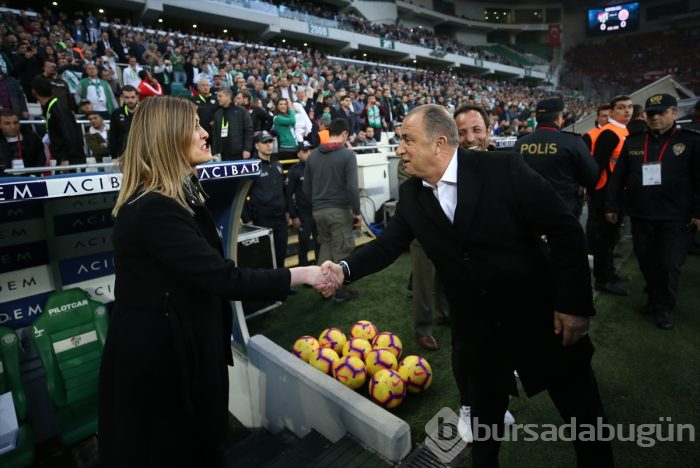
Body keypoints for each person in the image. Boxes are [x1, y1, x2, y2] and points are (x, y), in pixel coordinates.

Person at [323, 105, 613, 468]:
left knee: (586, 426)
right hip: (481, 338)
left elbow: (564, 228)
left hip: (544, 323)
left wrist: (572, 304)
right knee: (485, 439)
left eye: (407, 140)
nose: (399, 149)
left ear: (439, 143)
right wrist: (343, 269)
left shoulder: (503, 168)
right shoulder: (412, 195)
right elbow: (386, 247)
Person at [98, 96, 335, 466]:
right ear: (167, 137)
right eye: (194, 125)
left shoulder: (174, 197)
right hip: (165, 369)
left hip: (184, 359)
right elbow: (224, 278)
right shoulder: (153, 209)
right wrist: (304, 274)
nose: (206, 132)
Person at [605, 94, 700, 330]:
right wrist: (611, 205)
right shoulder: (633, 141)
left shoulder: (691, 141)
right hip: (641, 214)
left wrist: (698, 212)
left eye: (662, 112)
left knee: (669, 264)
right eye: (651, 113)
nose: (655, 117)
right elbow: (618, 178)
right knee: (647, 262)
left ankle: (664, 307)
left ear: (675, 114)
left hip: (676, 216)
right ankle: (653, 298)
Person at [304, 118, 362, 303]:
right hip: (339, 210)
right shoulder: (347, 155)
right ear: (345, 133)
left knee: (326, 247)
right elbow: (353, 188)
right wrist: (357, 212)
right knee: (342, 250)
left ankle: (323, 287)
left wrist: (317, 201)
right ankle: (341, 292)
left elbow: (306, 188)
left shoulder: (312, 155)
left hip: (319, 210)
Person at [514, 98, 598, 218]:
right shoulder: (573, 142)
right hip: (563, 209)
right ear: (559, 118)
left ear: (537, 117)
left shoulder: (520, 143)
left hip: (528, 209)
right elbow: (592, 175)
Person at [585, 95, 633, 296]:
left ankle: (610, 274)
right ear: (612, 112)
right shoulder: (610, 133)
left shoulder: (622, 131)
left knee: (611, 237)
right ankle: (603, 280)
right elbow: (597, 166)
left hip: (616, 193)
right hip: (606, 194)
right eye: (622, 108)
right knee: (604, 239)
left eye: (629, 107)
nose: (627, 111)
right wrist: (600, 197)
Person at [242, 131, 289, 269]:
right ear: (257, 145)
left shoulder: (277, 165)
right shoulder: (250, 167)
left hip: (280, 218)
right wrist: (247, 218)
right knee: (265, 255)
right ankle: (270, 288)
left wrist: (287, 211)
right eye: (265, 142)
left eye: (270, 142)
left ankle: (283, 284)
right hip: (262, 219)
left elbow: (283, 191)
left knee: (281, 252)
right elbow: (242, 196)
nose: (269, 145)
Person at [31, 76, 85, 166]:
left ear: (34, 92)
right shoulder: (52, 107)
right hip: (63, 159)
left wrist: (65, 158)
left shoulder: (57, 107)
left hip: (70, 160)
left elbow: (69, 132)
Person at [286, 141, 318, 266]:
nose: (309, 153)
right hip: (304, 214)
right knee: (304, 244)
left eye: (310, 150)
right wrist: (294, 216)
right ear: (299, 154)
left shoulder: (318, 167)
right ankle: (304, 272)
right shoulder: (294, 171)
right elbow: (288, 195)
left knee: (320, 243)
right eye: (305, 151)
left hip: (319, 211)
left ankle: (321, 270)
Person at [211, 88, 253, 160]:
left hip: (239, 153)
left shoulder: (241, 111)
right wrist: (215, 152)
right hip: (222, 154)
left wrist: (247, 149)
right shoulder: (217, 114)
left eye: (220, 96)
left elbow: (248, 130)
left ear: (228, 97)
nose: (218, 98)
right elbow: (215, 135)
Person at [0, 108, 44, 173]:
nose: (13, 126)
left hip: (30, 176)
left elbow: (41, 158)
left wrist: (35, 174)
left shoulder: (31, 137)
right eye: (7, 123)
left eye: (15, 123)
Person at [109, 85, 139, 159]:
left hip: (143, 153)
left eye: (132, 97)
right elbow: (113, 136)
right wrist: (114, 156)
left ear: (137, 97)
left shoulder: (144, 111)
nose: (130, 100)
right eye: (127, 97)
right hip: (124, 154)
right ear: (122, 97)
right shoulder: (116, 113)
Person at [193, 77, 219, 143]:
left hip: (215, 131)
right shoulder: (193, 100)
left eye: (207, 85)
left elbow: (221, 112)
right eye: (203, 85)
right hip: (200, 131)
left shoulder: (216, 99)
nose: (206, 87)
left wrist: (216, 120)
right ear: (198, 87)